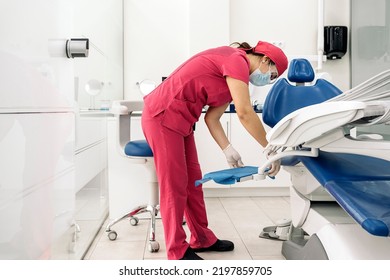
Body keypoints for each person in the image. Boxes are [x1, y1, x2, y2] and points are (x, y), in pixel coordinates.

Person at [141, 41, 288, 260]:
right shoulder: (236, 60)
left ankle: (201, 238)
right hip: (162, 116)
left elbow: (212, 117)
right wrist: (270, 148)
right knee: (174, 185)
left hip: (182, 122)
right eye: (272, 75)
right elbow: (245, 112)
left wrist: (228, 149)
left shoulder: (237, 78)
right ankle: (177, 251)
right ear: (265, 60)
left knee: (193, 182)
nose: (268, 80)